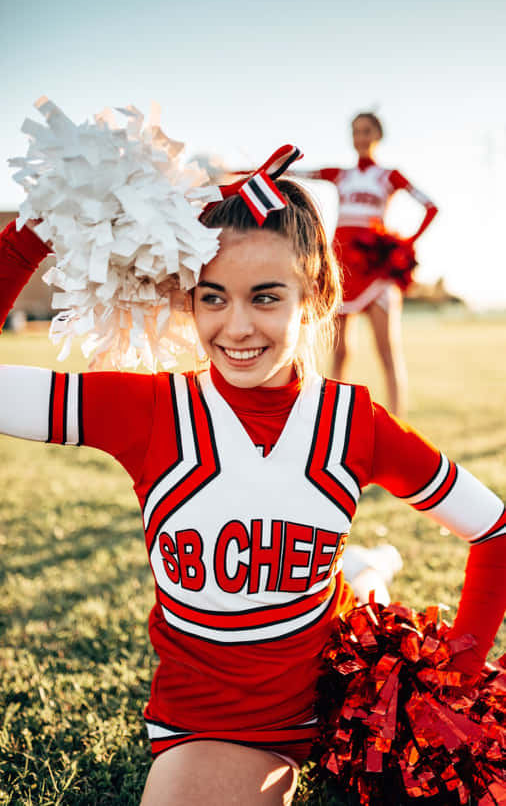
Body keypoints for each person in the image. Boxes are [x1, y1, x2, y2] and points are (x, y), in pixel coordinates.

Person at [0, 150, 504, 806]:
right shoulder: (150, 410)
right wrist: (37, 227)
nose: (236, 326)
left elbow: (492, 528)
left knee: (358, 611)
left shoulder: (354, 423)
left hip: (320, 702)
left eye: (266, 296)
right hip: (220, 726)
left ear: (318, 294)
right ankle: (365, 572)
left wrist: (459, 671)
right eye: (213, 297)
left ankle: (364, 576)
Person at [296, 112, 438, 417]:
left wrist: (407, 243)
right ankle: (330, 419)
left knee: (387, 350)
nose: (360, 137)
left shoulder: (389, 176)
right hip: (341, 267)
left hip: (375, 270)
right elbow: (293, 172)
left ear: (377, 135)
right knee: (340, 350)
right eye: (355, 131)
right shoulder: (340, 174)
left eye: (366, 131)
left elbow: (430, 206)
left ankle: (399, 424)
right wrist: (241, 173)